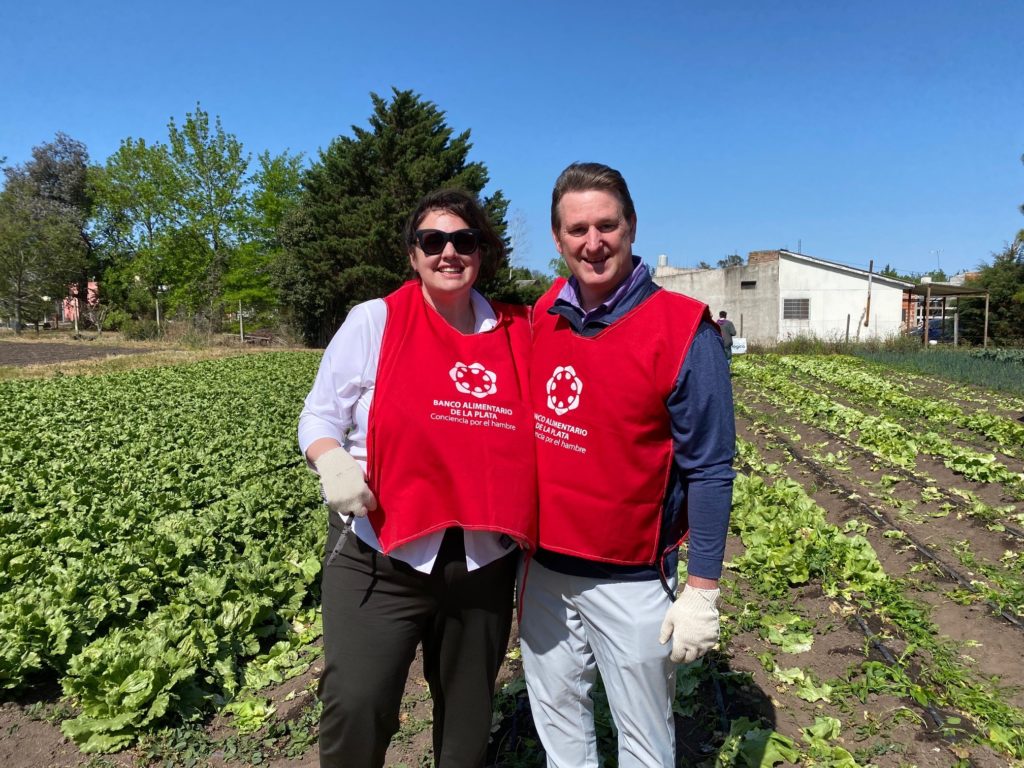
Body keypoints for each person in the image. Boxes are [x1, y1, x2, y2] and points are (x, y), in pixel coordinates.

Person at [298, 189, 537, 768]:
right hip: (381, 551)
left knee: (466, 720)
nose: (449, 252)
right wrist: (333, 462)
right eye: (434, 241)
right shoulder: (375, 321)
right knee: (357, 701)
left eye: (464, 241)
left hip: (481, 561)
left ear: (482, 251)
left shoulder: (517, 330)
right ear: (414, 253)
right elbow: (319, 416)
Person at [520, 162, 735, 767]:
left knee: (644, 738)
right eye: (577, 229)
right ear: (558, 240)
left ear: (632, 227)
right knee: (559, 725)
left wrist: (703, 590)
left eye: (607, 225)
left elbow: (712, 468)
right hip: (544, 571)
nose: (594, 243)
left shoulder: (684, 330)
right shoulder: (540, 319)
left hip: (634, 577)